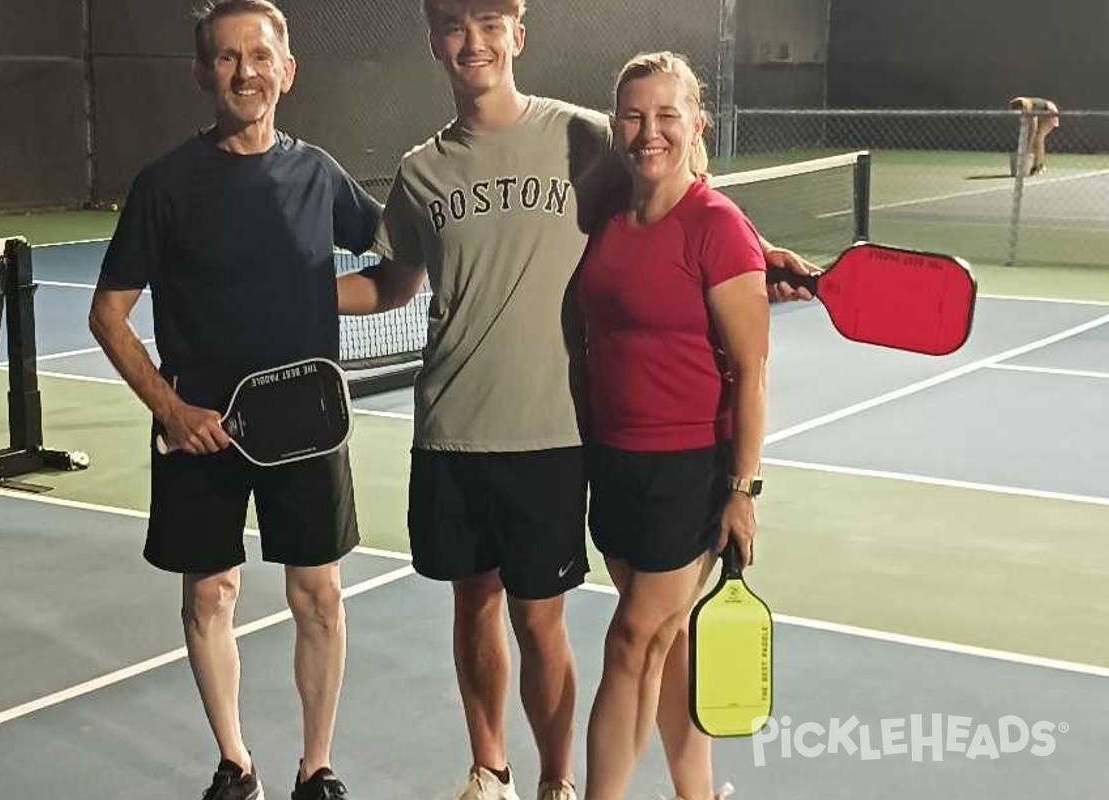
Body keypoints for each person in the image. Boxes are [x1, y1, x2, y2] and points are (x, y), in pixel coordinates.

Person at [336, 3, 808, 799]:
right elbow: (394, 281)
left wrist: (749, 250)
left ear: (518, 36)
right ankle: (496, 772)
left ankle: (570, 786)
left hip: (566, 433)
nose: (474, 42)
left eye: (492, 23)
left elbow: (681, 183)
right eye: (456, 25)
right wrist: (296, 300)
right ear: (435, 43)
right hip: (472, 429)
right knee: (500, 611)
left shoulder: (585, 136)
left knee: (587, 628)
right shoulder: (422, 170)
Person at [88, 2, 378, 798]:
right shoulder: (164, 184)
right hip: (199, 432)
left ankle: (316, 768)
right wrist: (171, 412)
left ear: (288, 69)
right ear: (201, 74)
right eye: (226, 59)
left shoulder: (319, 174)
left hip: (306, 426)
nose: (245, 72)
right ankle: (235, 762)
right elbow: (108, 314)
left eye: (259, 56)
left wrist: (321, 296)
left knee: (317, 594)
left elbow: (398, 270)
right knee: (210, 593)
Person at [579, 51, 767, 800]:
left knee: (630, 642)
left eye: (666, 114)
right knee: (667, 638)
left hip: (689, 468)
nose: (648, 130)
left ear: (696, 123)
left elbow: (752, 371)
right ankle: (698, 794)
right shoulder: (606, 217)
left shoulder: (718, 226)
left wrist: (742, 489)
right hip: (613, 460)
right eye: (633, 114)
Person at [1009, 96, 1060, 176]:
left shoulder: (1030, 107)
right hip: (1042, 114)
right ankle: (1039, 164)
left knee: (1038, 139)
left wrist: (1028, 147)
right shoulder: (1021, 106)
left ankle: (1038, 166)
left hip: (1050, 112)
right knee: (1036, 139)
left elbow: (1033, 129)